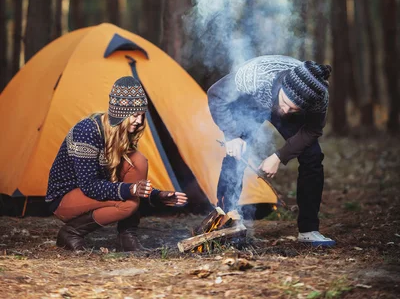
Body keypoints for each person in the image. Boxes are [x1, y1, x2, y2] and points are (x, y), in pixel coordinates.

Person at [45, 74, 187, 251]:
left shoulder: (122, 132)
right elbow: (89, 186)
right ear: (121, 113)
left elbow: (127, 183)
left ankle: (127, 237)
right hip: (66, 196)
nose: (140, 121)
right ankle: (71, 233)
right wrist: (131, 190)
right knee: (128, 204)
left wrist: (156, 196)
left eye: (142, 115)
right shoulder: (87, 131)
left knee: (138, 161)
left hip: (93, 189)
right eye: (135, 115)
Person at [208, 55, 335, 247]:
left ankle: (309, 230)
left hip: (284, 102)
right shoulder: (254, 76)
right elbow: (215, 95)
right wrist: (232, 135)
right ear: (282, 86)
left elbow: (312, 130)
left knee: (313, 157)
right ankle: (227, 220)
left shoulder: (319, 98)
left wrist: (279, 156)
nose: (284, 111)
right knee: (237, 151)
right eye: (285, 103)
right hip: (252, 101)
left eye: (293, 109)